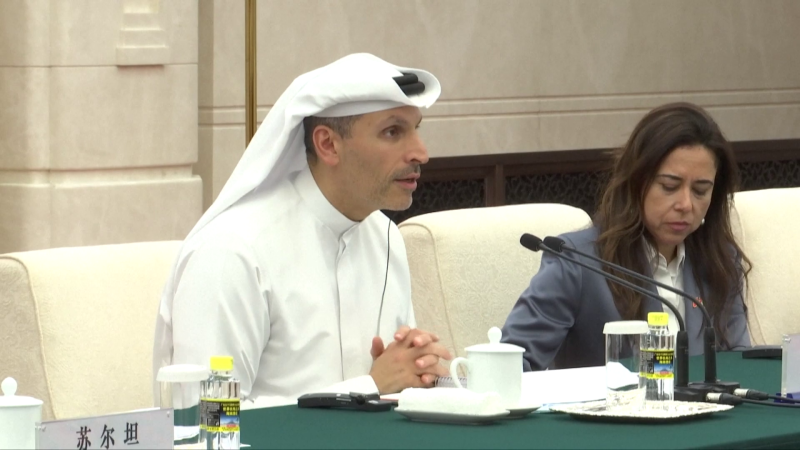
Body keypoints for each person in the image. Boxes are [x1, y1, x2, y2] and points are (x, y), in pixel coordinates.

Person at [152, 53, 451, 407]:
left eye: (416, 129)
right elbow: (209, 414)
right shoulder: (233, 250)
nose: (420, 153)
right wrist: (369, 387)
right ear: (328, 144)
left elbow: (391, 385)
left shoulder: (384, 235)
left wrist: (419, 373)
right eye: (393, 132)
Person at [502, 102, 752, 371]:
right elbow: (511, 365)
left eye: (700, 191)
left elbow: (739, 365)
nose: (685, 204)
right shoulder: (576, 262)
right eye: (669, 186)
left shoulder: (720, 261)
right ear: (636, 182)